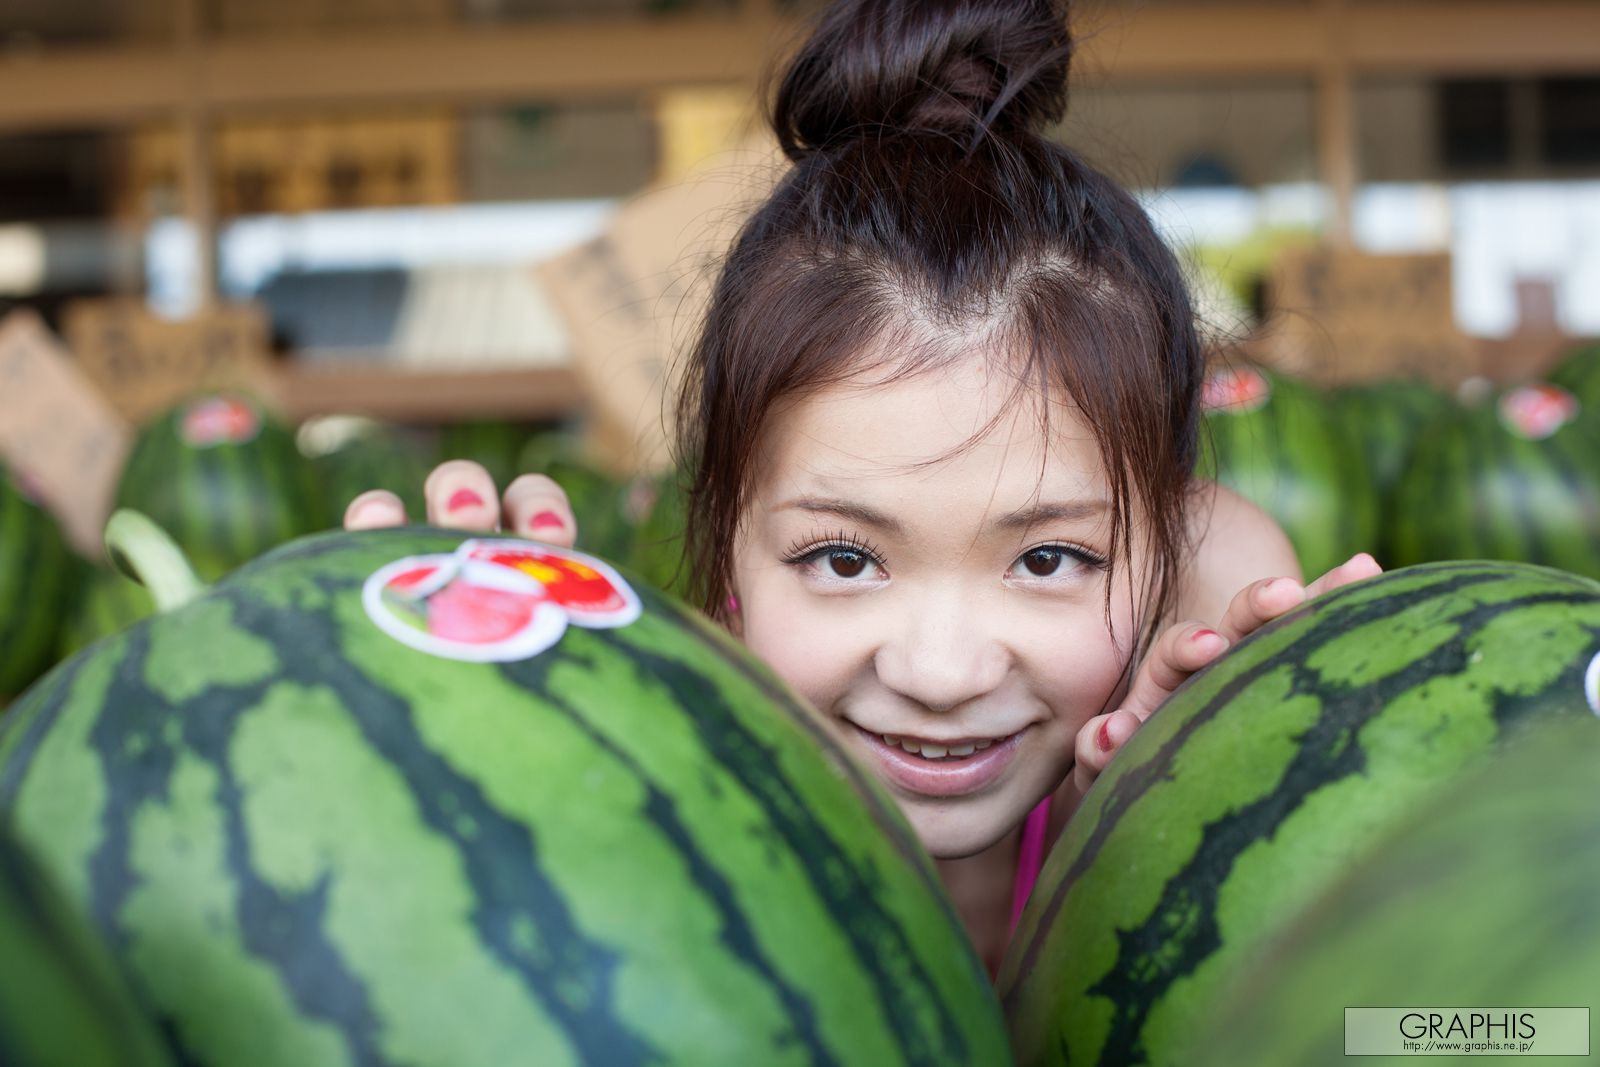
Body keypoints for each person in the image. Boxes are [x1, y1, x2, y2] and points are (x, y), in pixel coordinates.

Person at [345, 0, 1380, 975]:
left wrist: (1164, 862)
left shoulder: (1205, 617)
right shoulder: (664, 774)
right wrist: (445, 779)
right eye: (842, 558)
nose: (939, 671)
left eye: (1047, 556)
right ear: (730, 538)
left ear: (1166, 544)